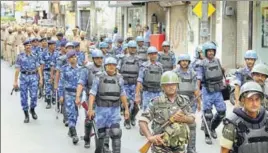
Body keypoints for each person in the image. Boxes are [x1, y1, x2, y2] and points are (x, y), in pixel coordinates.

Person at [139, 71, 195, 153]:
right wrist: (150, 137)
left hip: (179, 145)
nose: (171, 87)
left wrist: (184, 119)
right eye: (167, 85)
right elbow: (142, 121)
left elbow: (192, 119)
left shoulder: (183, 100)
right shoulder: (156, 102)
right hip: (160, 145)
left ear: (177, 85)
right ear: (162, 87)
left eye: (173, 84)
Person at [87, 57, 130, 153]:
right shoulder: (99, 77)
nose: (111, 67)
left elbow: (122, 94)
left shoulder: (119, 78)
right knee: (101, 134)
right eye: (109, 65)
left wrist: (126, 109)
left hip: (114, 110)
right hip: (101, 110)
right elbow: (92, 93)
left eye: (113, 65)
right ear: (105, 66)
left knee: (116, 133)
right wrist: (90, 109)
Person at [220, 81, 268, 153]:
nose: (254, 103)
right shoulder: (232, 123)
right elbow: (224, 151)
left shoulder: (266, 118)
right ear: (242, 100)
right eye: (250, 99)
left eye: (257, 99)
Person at [197, 41, 226, 144]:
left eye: (212, 50)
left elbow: (221, 73)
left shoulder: (217, 61)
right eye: (208, 51)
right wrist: (197, 91)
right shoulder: (202, 64)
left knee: (222, 112)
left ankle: (212, 127)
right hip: (207, 90)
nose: (211, 53)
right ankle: (207, 134)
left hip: (217, 90)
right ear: (205, 52)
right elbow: (199, 78)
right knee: (208, 114)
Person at [76, 49, 104, 148]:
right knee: (89, 119)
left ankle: (104, 144)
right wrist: (78, 96)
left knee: (104, 121)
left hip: (104, 99)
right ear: (93, 59)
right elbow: (81, 83)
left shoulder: (106, 68)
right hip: (91, 98)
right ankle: (87, 138)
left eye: (101, 58)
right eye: (97, 58)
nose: (99, 60)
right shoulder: (87, 69)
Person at [173, 54, 201, 153]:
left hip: (190, 102)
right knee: (176, 125)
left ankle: (191, 148)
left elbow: (196, 88)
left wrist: (199, 102)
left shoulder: (193, 73)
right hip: (178, 102)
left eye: (186, 61)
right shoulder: (174, 73)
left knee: (192, 125)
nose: (184, 62)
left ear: (189, 62)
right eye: (182, 60)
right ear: (179, 62)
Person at [13, 40, 43, 123]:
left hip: (33, 77)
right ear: (24, 47)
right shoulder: (20, 56)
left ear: (31, 46)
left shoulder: (35, 56)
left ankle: (32, 109)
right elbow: (17, 69)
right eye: (27, 45)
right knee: (24, 97)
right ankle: (26, 114)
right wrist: (15, 81)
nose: (28, 47)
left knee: (34, 96)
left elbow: (38, 67)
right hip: (24, 77)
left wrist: (41, 78)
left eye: (30, 45)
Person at [117, 40, 142, 129]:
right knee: (126, 103)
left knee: (136, 105)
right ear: (128, 48)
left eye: (134, 48)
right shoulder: (123, 58)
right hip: (125, 84)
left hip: (135, 85)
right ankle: (126, 121)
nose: (133, 49)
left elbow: (141, 72)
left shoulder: (138, 60)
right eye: (131, 48)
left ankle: (132, 117)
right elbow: (118, 71)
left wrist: (140, 85)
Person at [59, 50, 80, 144]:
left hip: (78, 95)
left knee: (76, 114)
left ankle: (71, 129)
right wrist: (61, 95)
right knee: (71, 114)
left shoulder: (81, 69)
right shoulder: (64, 69)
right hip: (68, 94)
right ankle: (74, 134)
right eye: (71, 57)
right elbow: (61, 83)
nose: (74, 58)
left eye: (75, 56)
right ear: (68, 59)